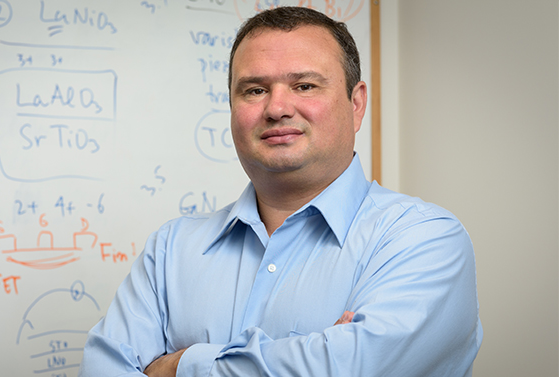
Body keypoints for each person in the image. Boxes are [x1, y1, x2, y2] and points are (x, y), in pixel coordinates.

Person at [79, 6, 483, 376]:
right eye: (254, 90)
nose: (277, 108)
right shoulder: (170, 249)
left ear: (356, 103)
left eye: (305, 86)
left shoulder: (424, 239)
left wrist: (180, 364)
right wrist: (317, 353)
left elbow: (356, 369)